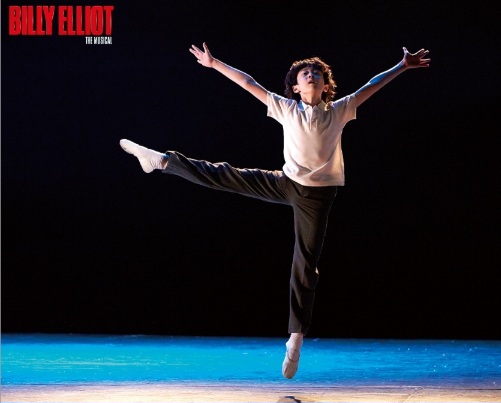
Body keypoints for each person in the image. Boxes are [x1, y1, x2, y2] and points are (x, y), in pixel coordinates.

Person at [120, 42, 430, 379]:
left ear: (326, 85)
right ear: (295, 87)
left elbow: (371, 85)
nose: (311, 75)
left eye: (317, 73)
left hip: (317, 196)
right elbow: (248, 83)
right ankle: (163, 161)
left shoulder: (340, 109)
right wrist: (215, 63)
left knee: (305, 263)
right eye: (305, 73)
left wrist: (402, 66)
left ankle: (295, 337)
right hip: (286, 182)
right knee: (227, 174)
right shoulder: (286, 108)